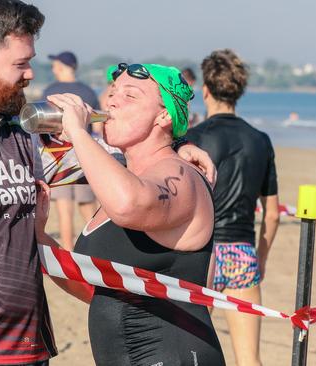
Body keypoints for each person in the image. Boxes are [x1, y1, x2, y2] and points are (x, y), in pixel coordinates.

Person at [0, 1, 216, 365]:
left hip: (30, 351)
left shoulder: (26, 137)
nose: (31, 74)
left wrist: (179, 146)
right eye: (21, 64)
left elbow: (122, 166)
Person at [35, 62, 225, 365]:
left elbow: (129, 206)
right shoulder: (128, 175)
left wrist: (77, 133)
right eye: (112, 92)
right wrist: (40, 237)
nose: (112, 101)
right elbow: (95, 289)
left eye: (130, 95)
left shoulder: (180, 174)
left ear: (163, 115)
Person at [186, 49, 280, 366]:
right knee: (249, 359)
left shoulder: (192, 138)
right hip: (242, 251)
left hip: (203, 254)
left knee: (194, 353)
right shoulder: (260, 140)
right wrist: (261, 259)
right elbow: (273, 214)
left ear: (205, 90)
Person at [41, 50, 100, 248]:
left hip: (60, 158)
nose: (53, 69)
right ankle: (96, 249)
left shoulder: (52, 90)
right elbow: (98, 127)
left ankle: (69, 255)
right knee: (89, 211)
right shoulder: (88, 91)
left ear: (61, 67)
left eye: (54, 65)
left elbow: (42, 127)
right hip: (87, 156)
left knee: (64, 212)